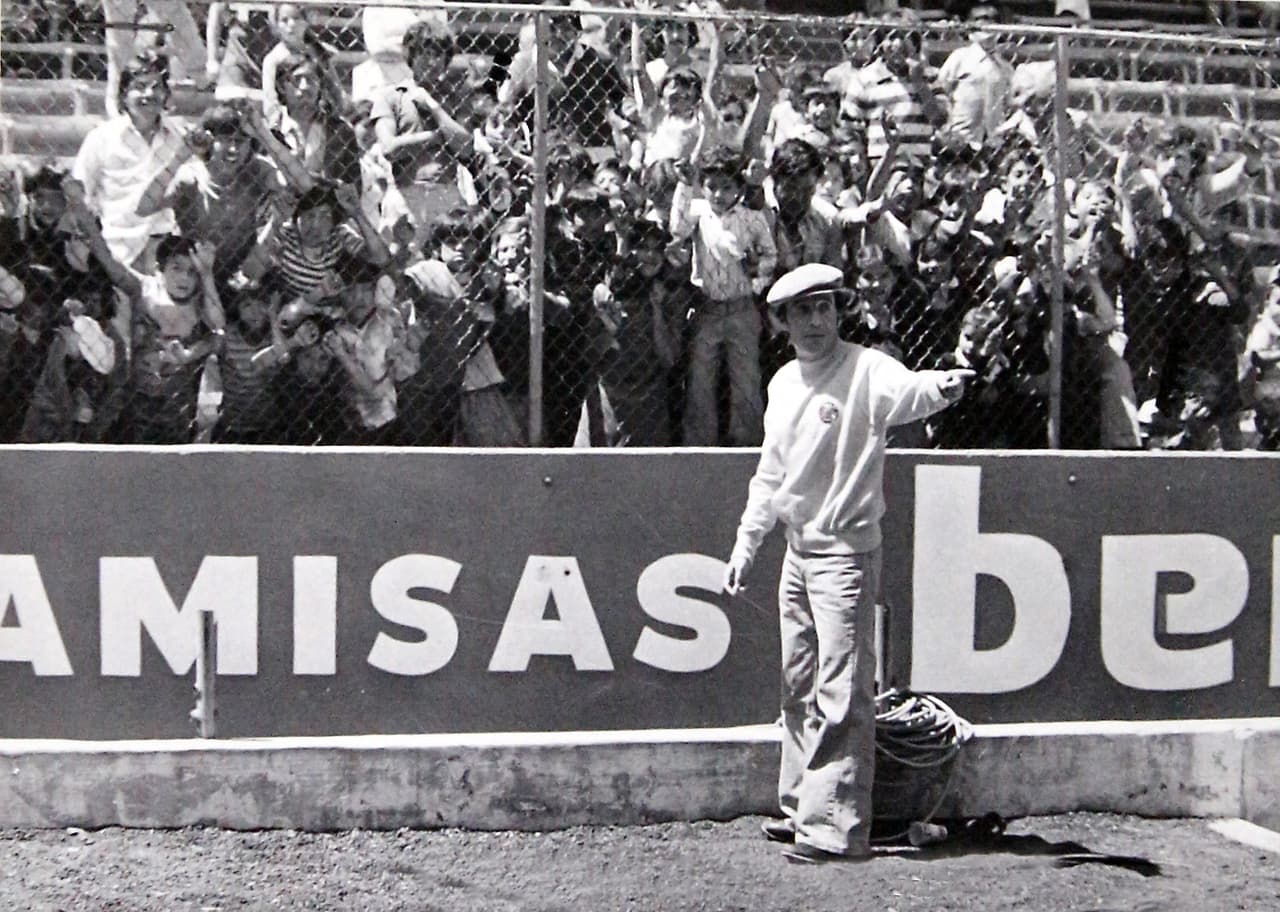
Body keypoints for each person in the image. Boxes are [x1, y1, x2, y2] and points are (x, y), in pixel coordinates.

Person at [722, 262, 972, 864]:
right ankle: (800, 808)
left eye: (825, 307)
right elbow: (770, 474)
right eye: (801, 311)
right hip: (796, 555)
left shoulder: (868, 368)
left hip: (845, 559)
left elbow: (910, 394)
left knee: (842, 693)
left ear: (839, 311)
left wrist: (946, 383)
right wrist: (746, 543)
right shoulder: (783, 383)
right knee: (797, 686)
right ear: (780, 321)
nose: (815, 321)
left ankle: (835, 829)